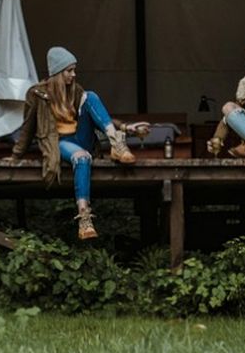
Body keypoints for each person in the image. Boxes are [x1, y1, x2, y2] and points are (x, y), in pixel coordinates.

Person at [9, 47, 149, 240]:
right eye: (69, 70)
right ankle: (84, 217)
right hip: (59, 142)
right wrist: (16, 155)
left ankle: (117, 144)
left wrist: (127, 127)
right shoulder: (37, 94)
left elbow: (97, 115)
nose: (73, 75)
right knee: (82, 158)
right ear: (58, 72)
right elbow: (27, 128)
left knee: (91, 96)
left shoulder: (76, 91)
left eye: (74, 70)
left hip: (80, 137)